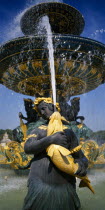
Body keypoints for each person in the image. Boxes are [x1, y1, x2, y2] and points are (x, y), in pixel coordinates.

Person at [22, 97, 88, 210]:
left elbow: (80, 157)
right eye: (40, 111)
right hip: (40, 184)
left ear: (53, 107)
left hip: (64, 185)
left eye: (43, 109)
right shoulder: (38, 130)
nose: (42, 113)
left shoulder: (68, 132)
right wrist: (51, 139)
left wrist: (82, 165)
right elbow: (28, 148)